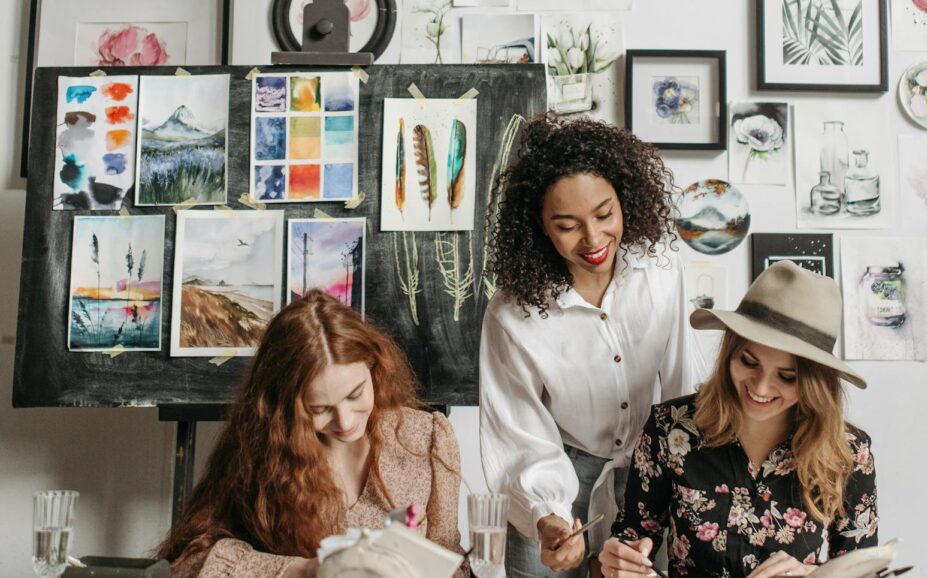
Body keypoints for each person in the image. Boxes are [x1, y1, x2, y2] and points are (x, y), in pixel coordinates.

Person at [480, 113, 694, 577]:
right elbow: (519, 430)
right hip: (556, 467)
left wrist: (683, 479)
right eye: (567, 225)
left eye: (604, 214)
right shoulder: (511, 314)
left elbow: (682, 385)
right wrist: (549, 513)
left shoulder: (661, 270)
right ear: (538, 225)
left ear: (625, 198)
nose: (594, 239)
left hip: (650, 466)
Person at [155, 290, 467, 578]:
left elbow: (454, 565)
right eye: (319, 409)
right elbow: (187, 563)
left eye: (356, 394)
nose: (345, 421)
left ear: (374, 366)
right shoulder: (265, 448)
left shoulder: (426, 439)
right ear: (285, 407)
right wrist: (304, 570)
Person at [598, 261, 879, 578]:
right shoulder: (669, 428)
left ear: (815, 384)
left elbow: (864, 571)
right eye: (749, 362)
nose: (760, 387)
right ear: (730, 352)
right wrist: (620, 559)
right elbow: (632, 537)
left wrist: (810, 575)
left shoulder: (849, 452)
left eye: (786, 377)